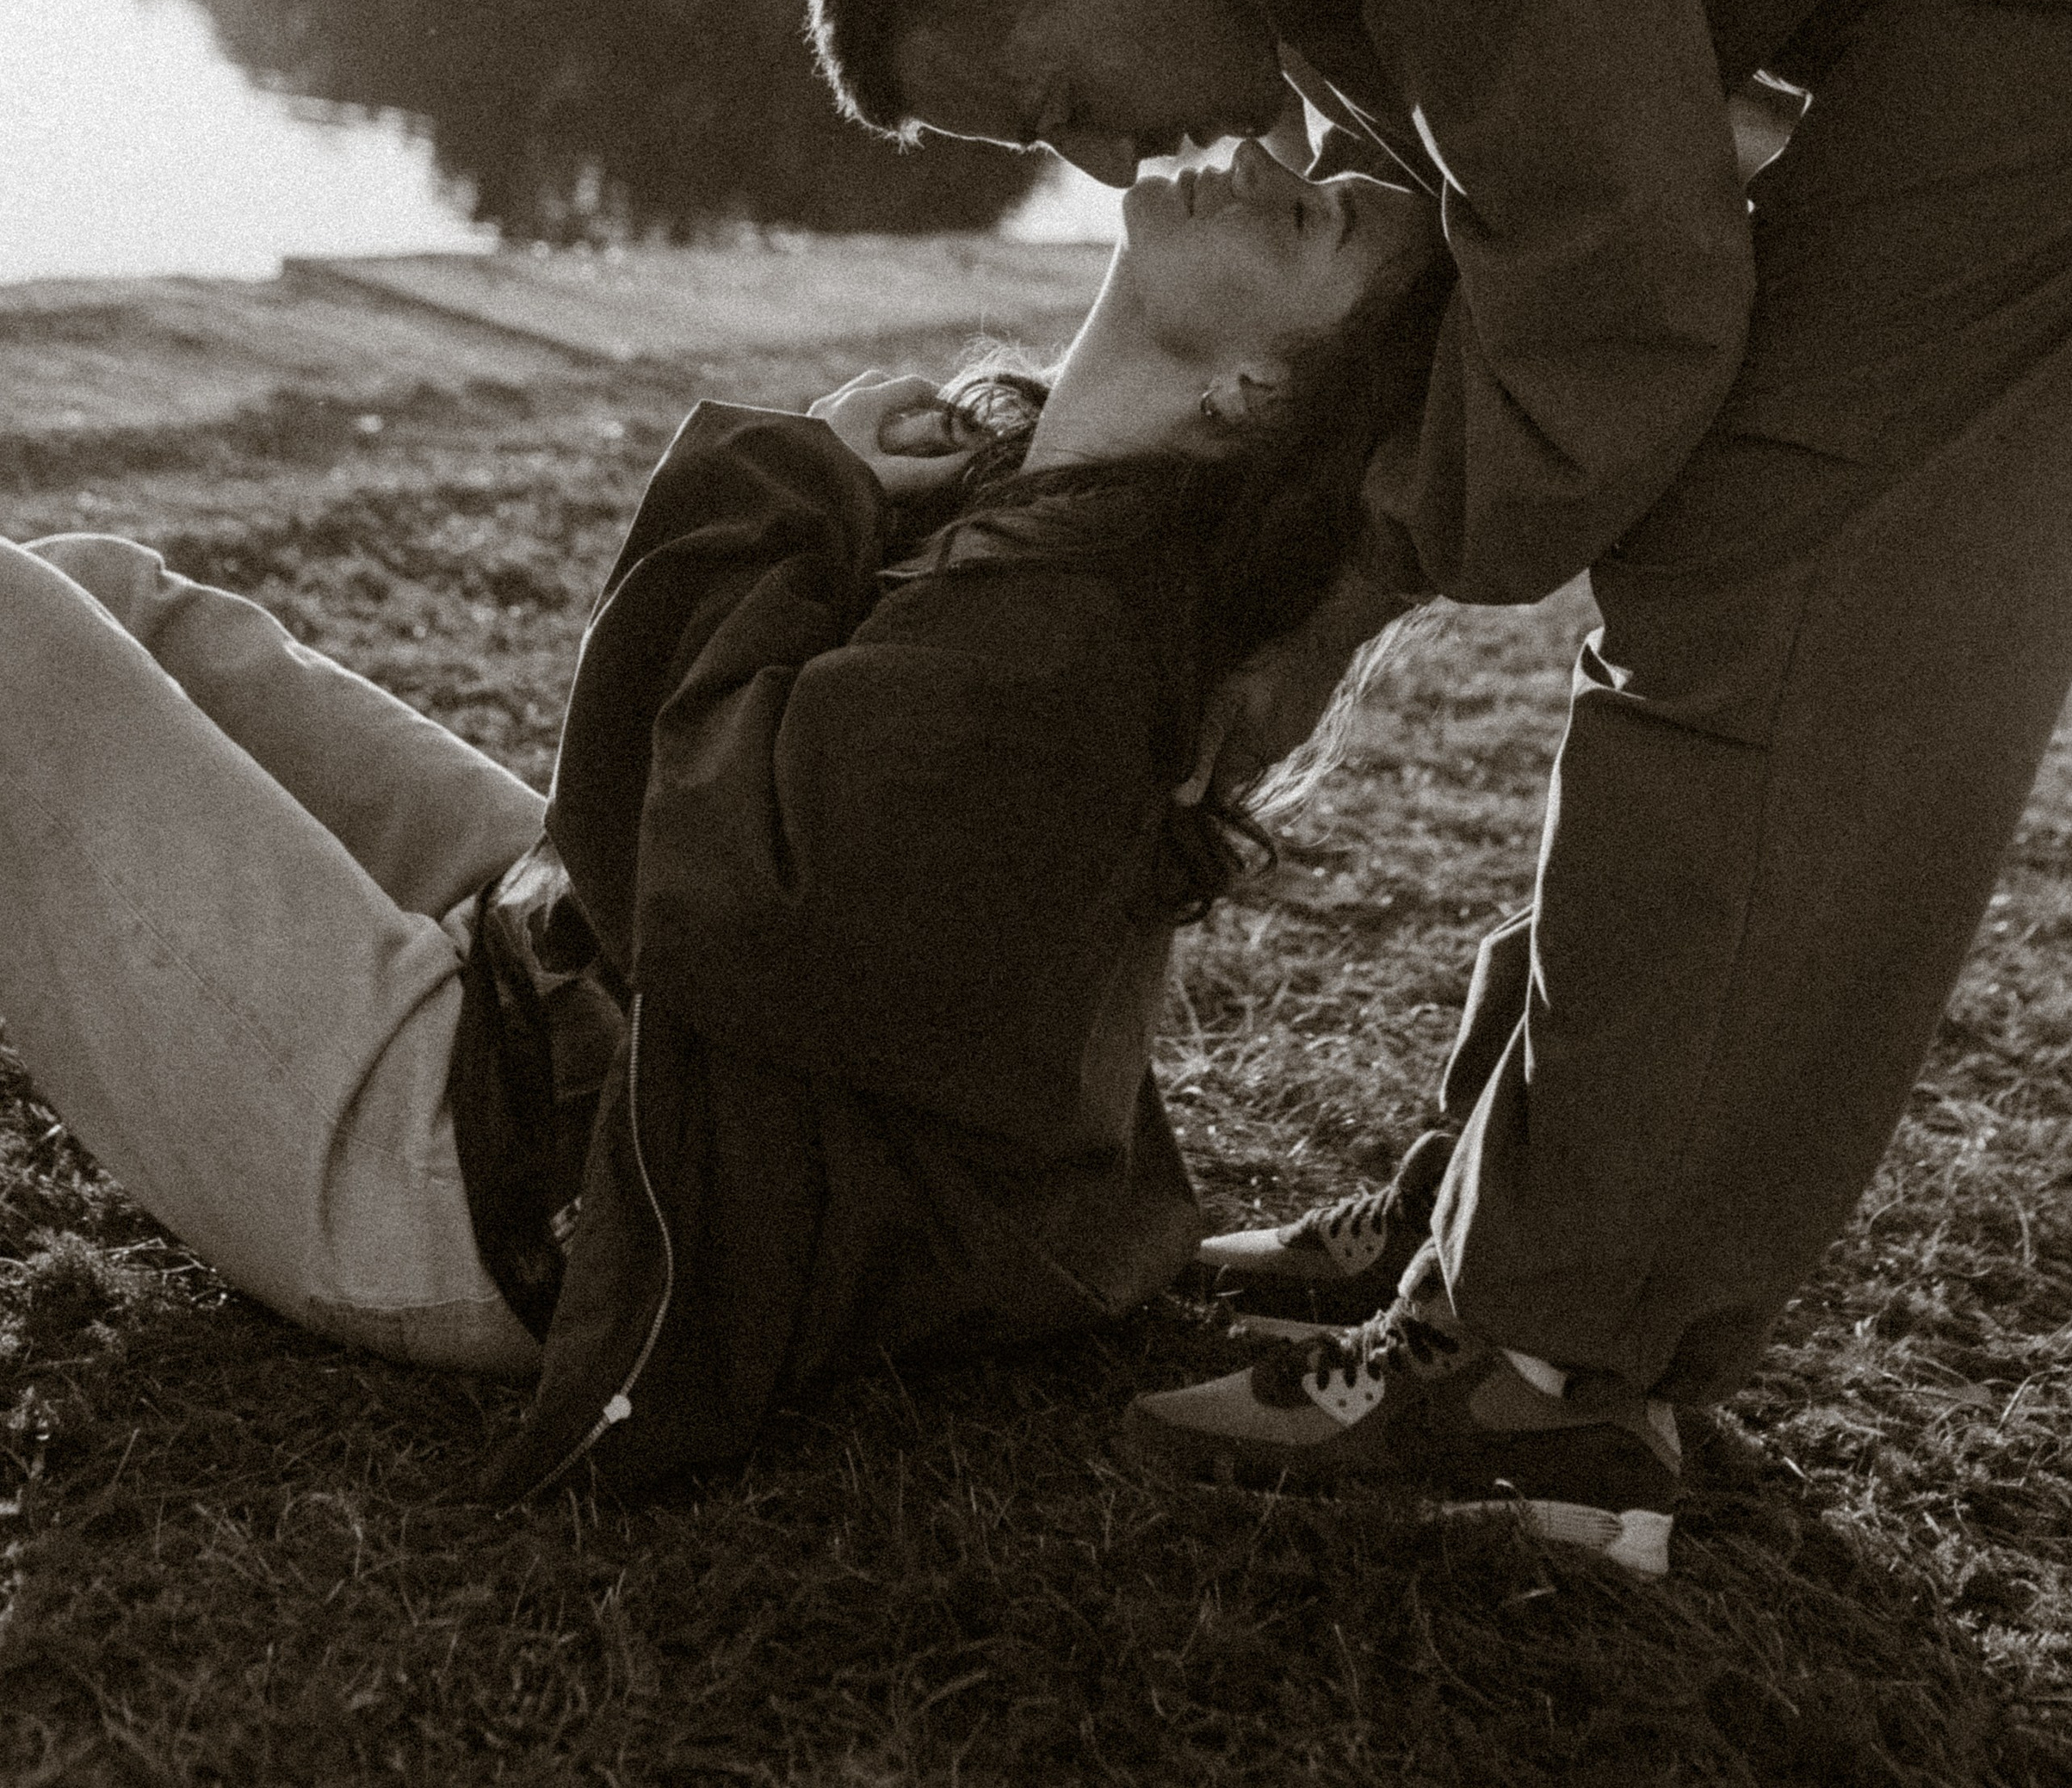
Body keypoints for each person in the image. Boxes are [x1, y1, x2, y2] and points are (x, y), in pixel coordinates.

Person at [793, 0, 2072, 1543]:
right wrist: (1268, 597)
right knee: (1734, 545)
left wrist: (1352, 587)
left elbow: (1625, 289)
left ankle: (1542, 1371)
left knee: (1773, 573)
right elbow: (1465, 242)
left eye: (1054, 108)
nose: (1104, 168)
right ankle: (1493, 1230)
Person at [0, 145, 1453, 1511]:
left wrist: (789, 482)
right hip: (586, 1014)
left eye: (1318, 220)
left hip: (485, 1181)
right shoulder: (1055, 533)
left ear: (1256, 395)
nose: (1273, 164)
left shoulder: (1058, 657)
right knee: (101, 592)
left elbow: (686, 863)